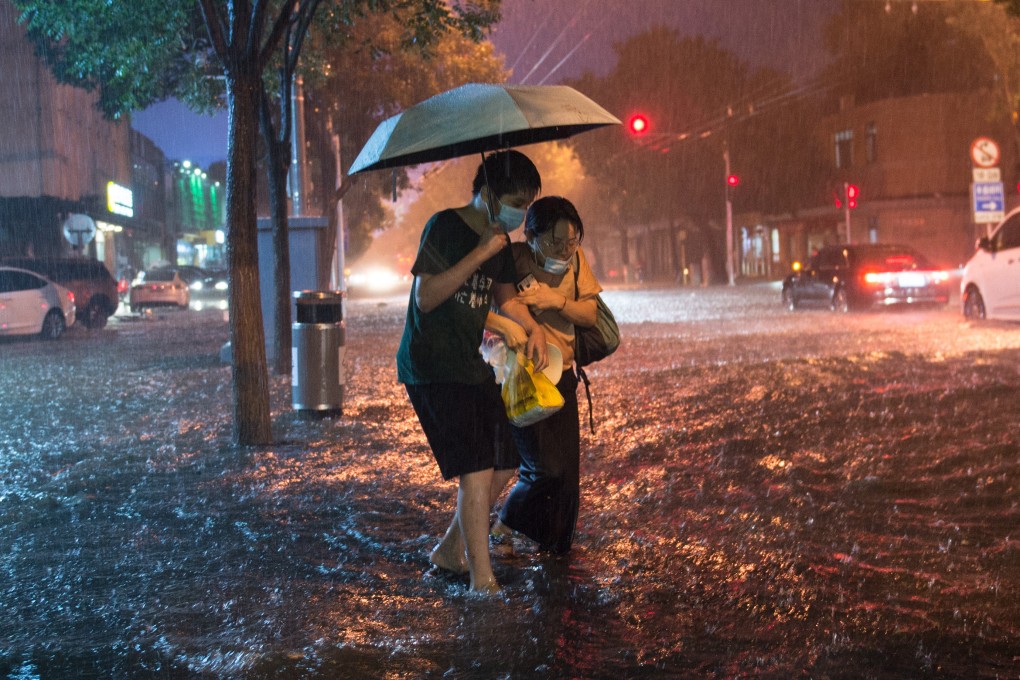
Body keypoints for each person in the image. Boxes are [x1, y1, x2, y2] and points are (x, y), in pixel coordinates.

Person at [397, 150, 548, 594]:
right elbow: (427, 297)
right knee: (477, 469)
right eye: (516, 201)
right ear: (487, 193)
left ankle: (449, 549)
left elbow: (507, 299)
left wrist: (533, 328)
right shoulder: (445, 227)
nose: (521, 212)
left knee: (506, 460)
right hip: (432, 366)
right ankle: (481, 580)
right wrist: (479, 251)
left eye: (526, 203)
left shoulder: (498, 237)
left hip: (470, 364)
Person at [491, 196, 601, 554]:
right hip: (522, 376)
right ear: (532, 236)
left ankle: (556, 548)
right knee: (543, 468)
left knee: (567, 480)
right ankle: (503, 526)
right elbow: (498, 308)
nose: (565, 249)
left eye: (572, 241)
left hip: (563, 376)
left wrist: (558, 302)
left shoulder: (577, 263)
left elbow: (590, 314)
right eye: (555, 242)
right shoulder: (514, 260)